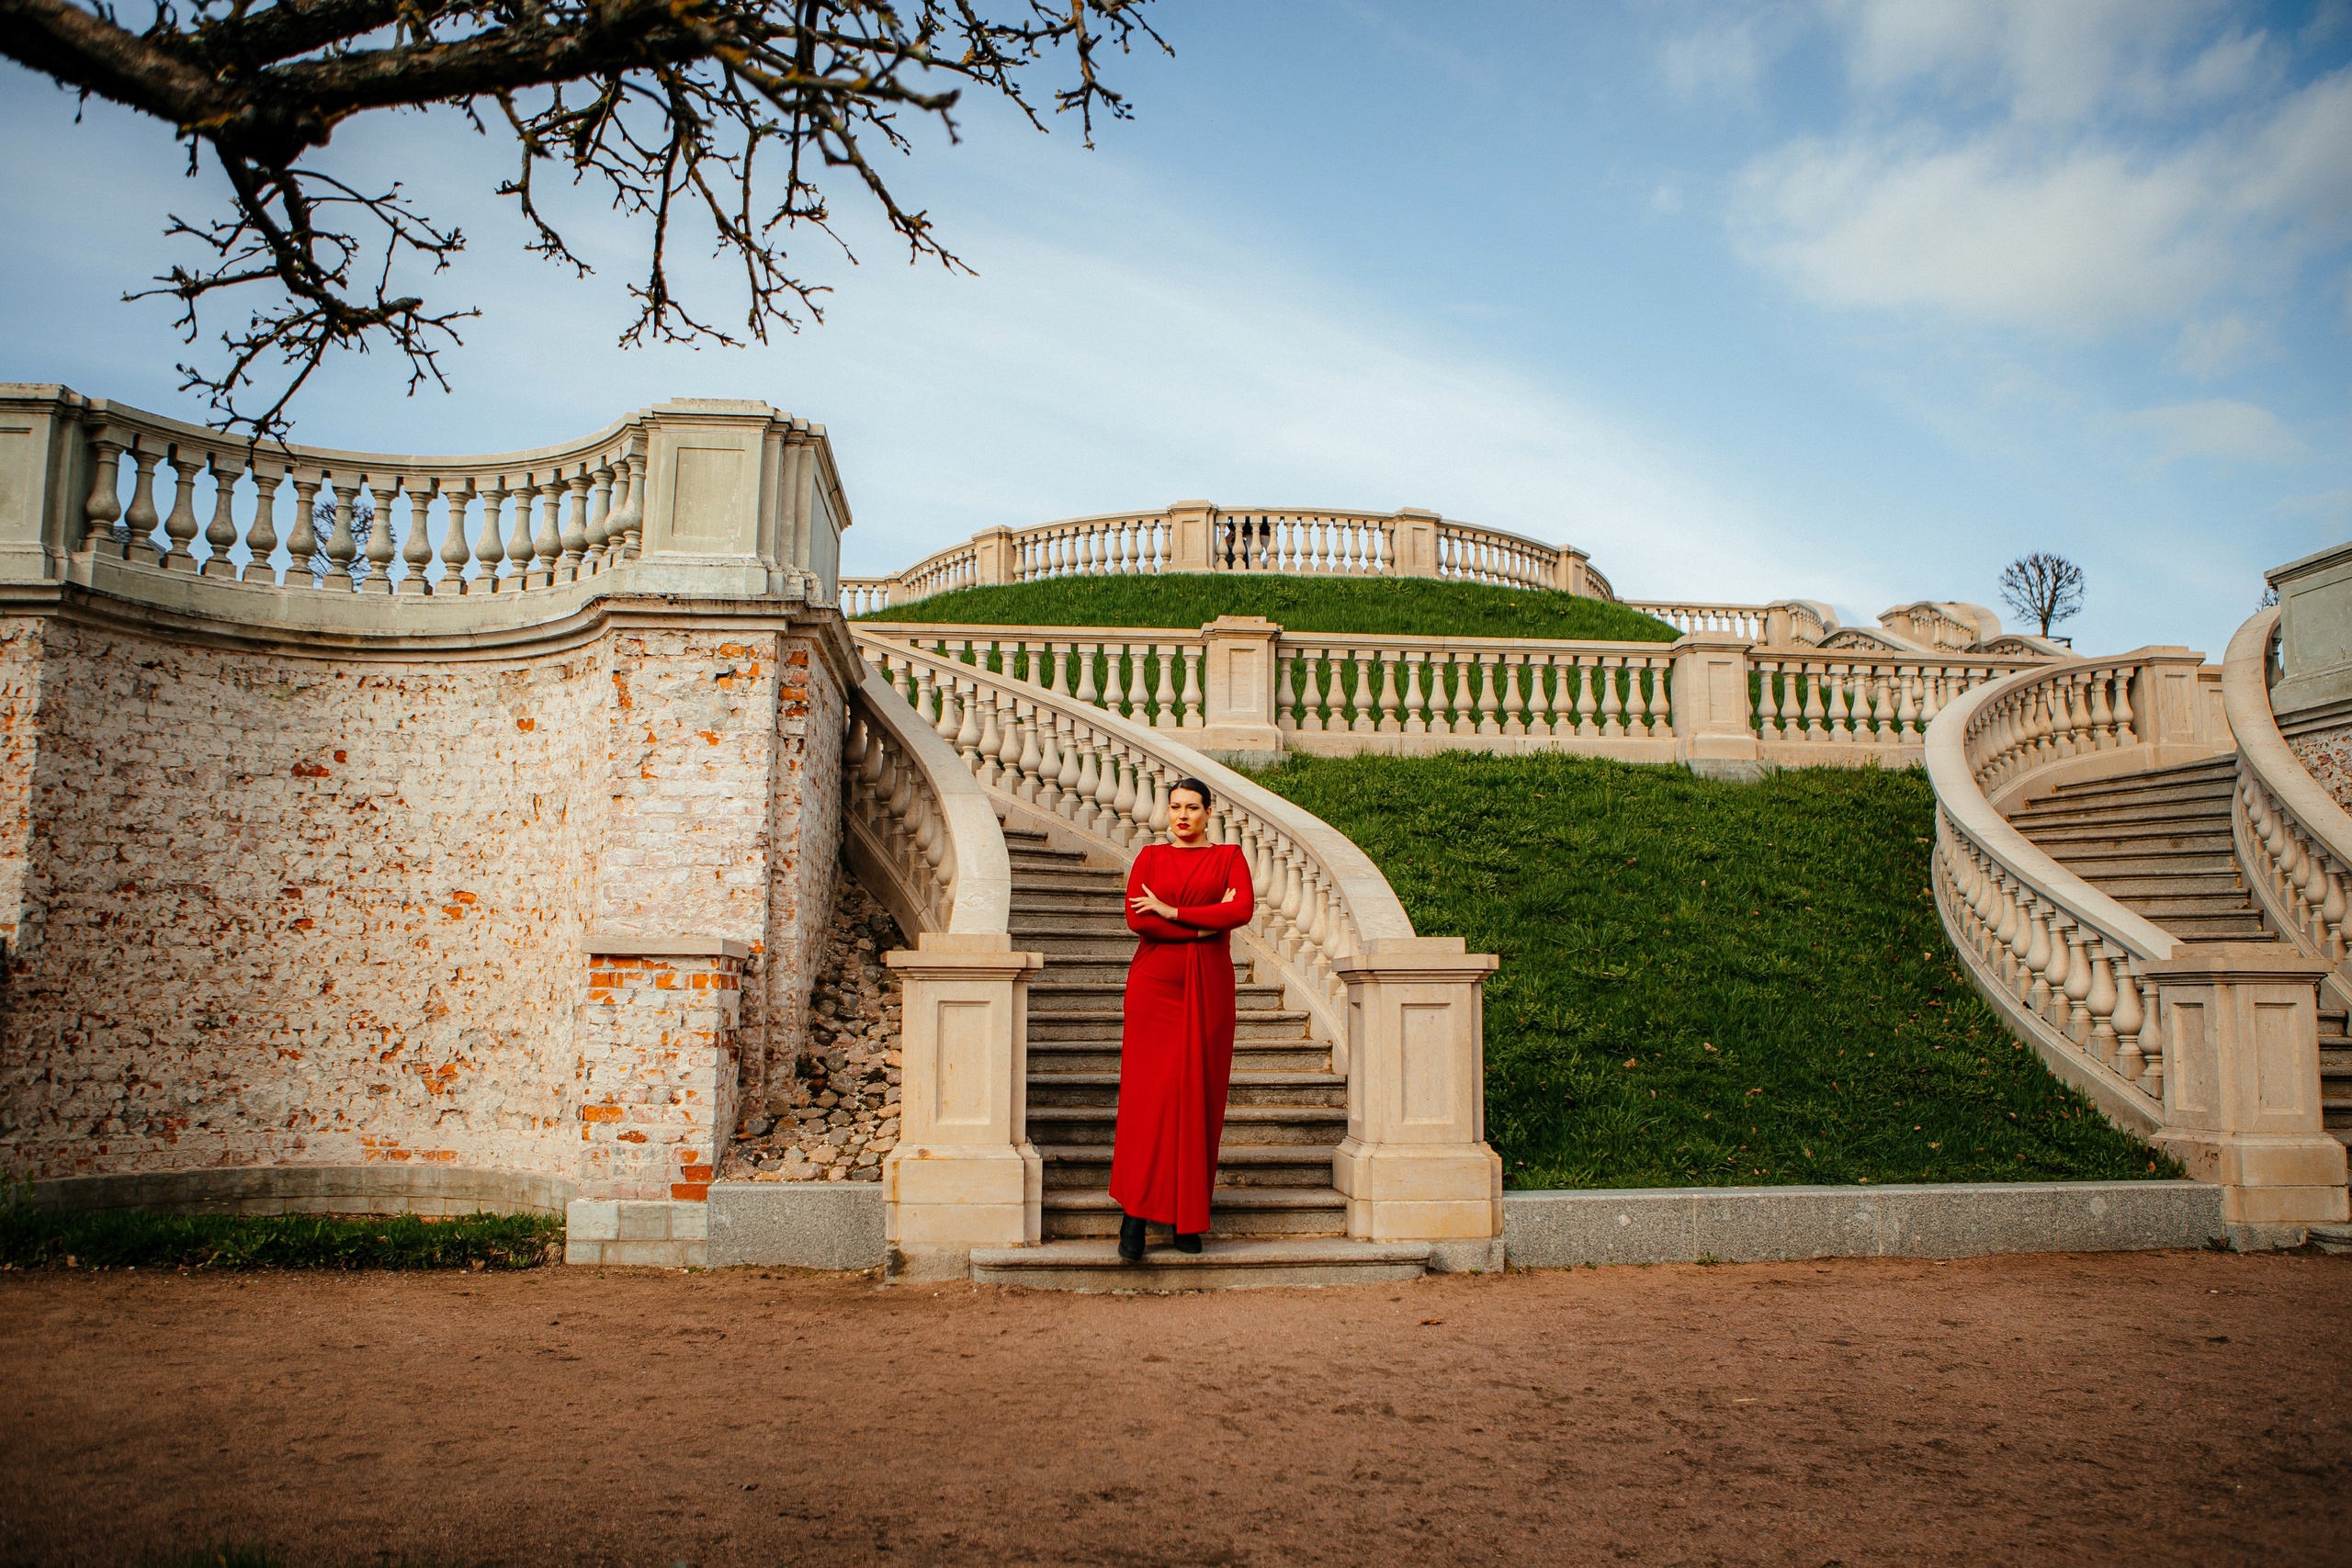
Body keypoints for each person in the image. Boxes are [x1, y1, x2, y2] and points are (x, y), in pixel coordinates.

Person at [1109, 775, 1255, 1261]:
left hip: (1209, 985)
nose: (1183, 816)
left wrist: (1172, 911)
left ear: (1208, 812)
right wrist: (1200, 926)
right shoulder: (1149, 857)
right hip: (1154, 986)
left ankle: (1185, 1218)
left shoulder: (1229, 857)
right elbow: (1138, 920)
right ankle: (1134, 1218)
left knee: (1198, 1093)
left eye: (1193, 807)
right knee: (1147, 1099)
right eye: (1175, 807)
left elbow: (1242, 910)